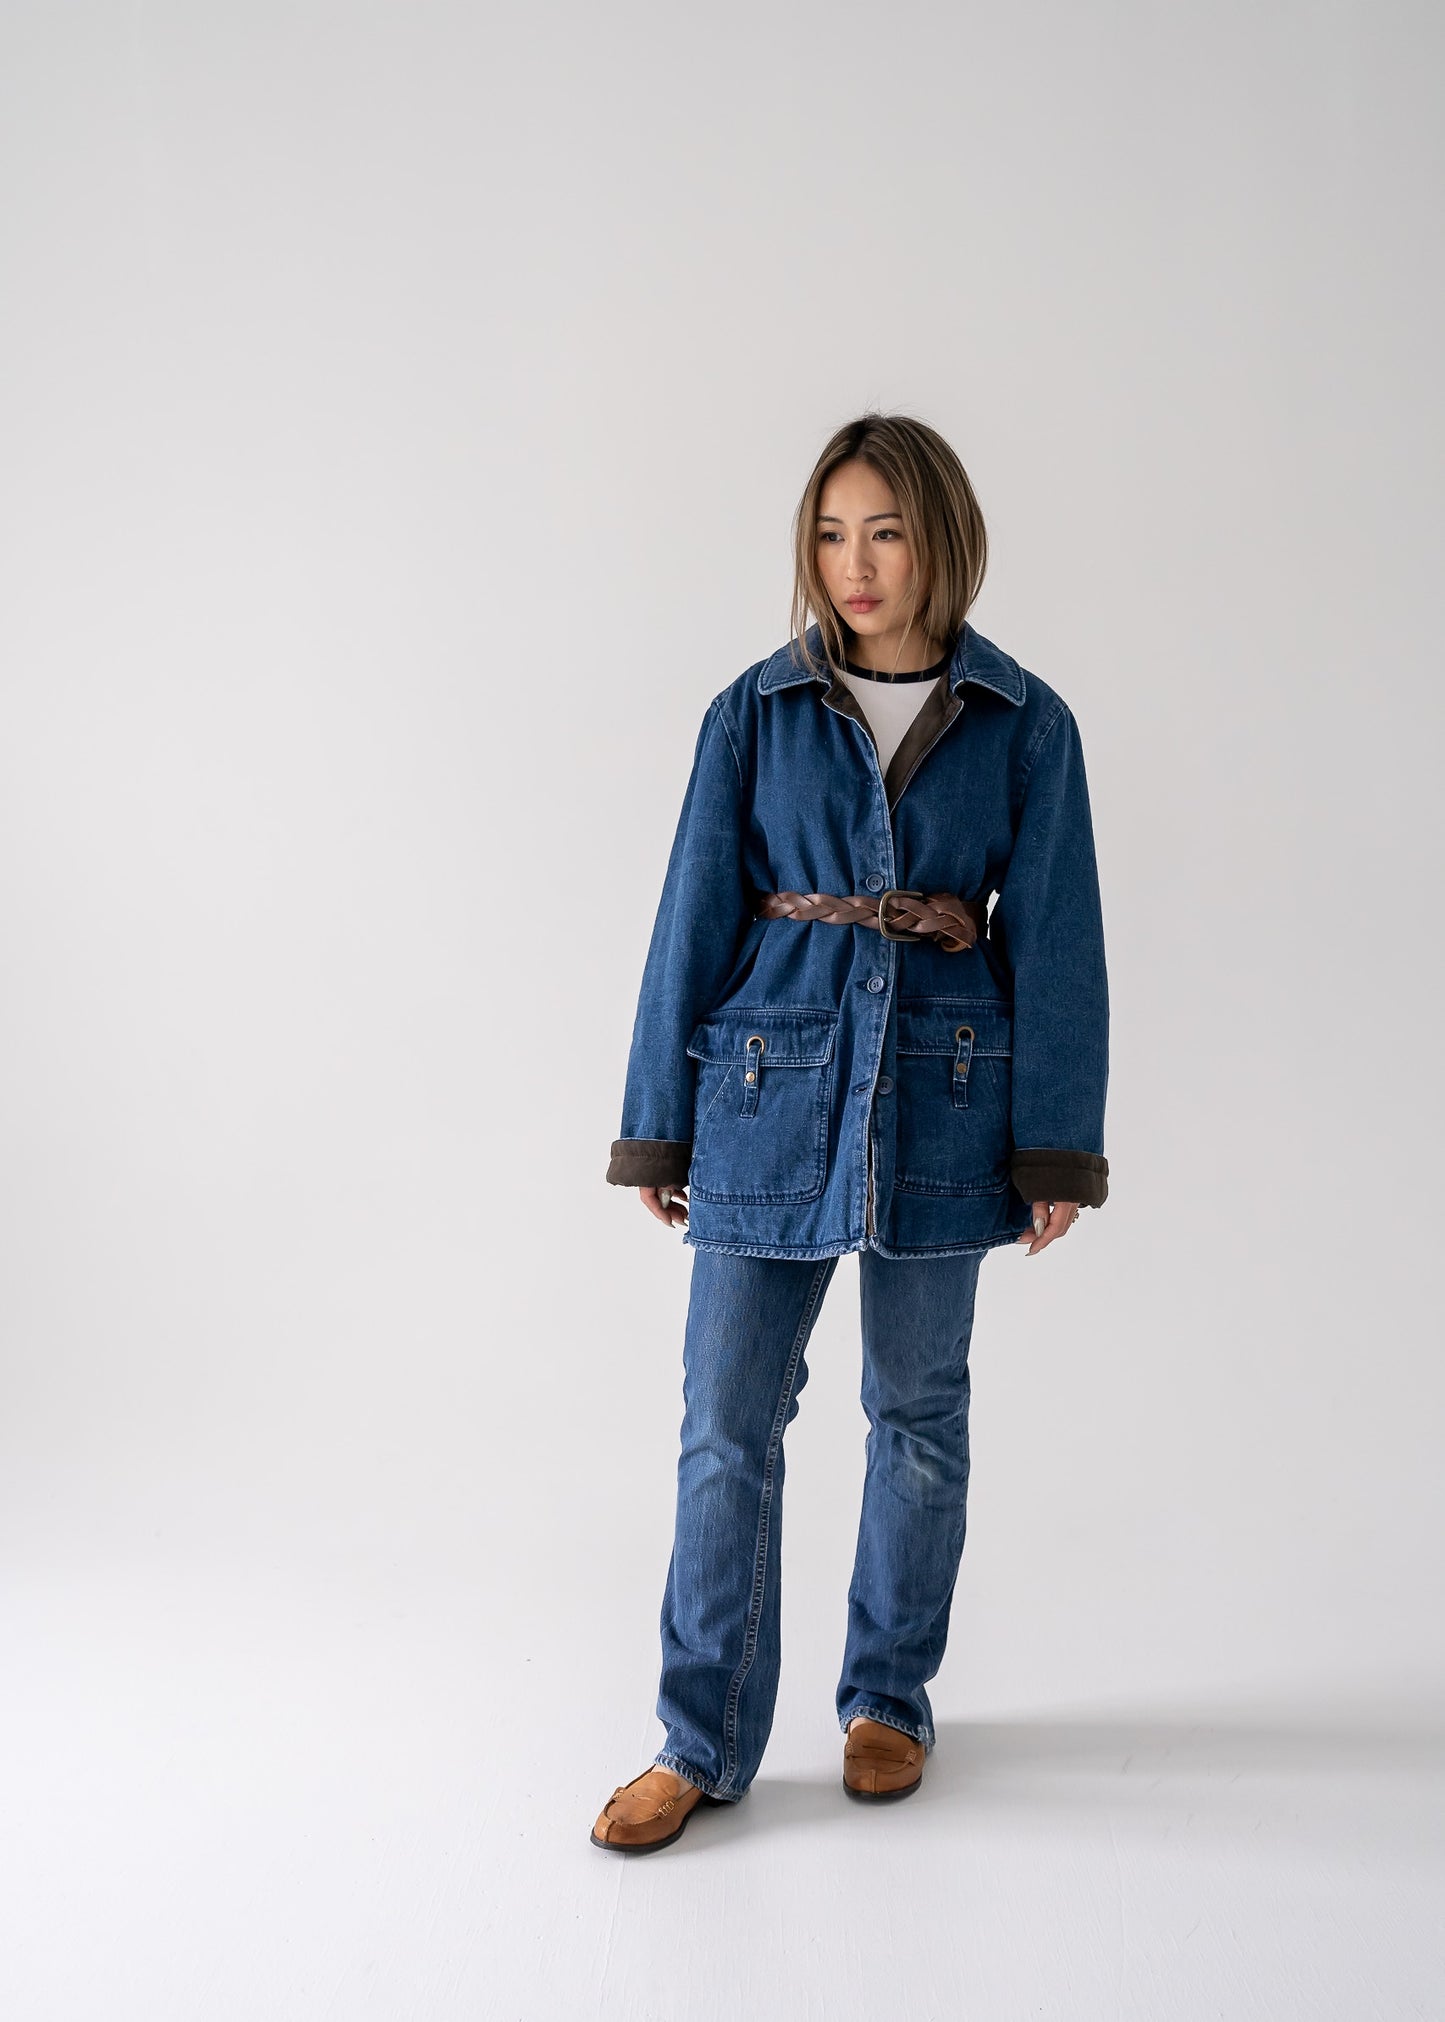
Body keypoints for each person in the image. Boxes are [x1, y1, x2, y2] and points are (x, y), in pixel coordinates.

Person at [591, 412, 1110, 1854]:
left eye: (882, 529)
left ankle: (887, 1696)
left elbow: (1058, 936)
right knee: (725, 1423)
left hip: (948, 1097)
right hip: (765, 1092)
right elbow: (689, 911)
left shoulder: (1024, 721)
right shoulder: (752, 710)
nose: (853, 562)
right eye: (829, 531)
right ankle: (696, 1739)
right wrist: (655, 1127)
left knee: (918, 1419)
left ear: (938, 536)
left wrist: (1054, 1144)